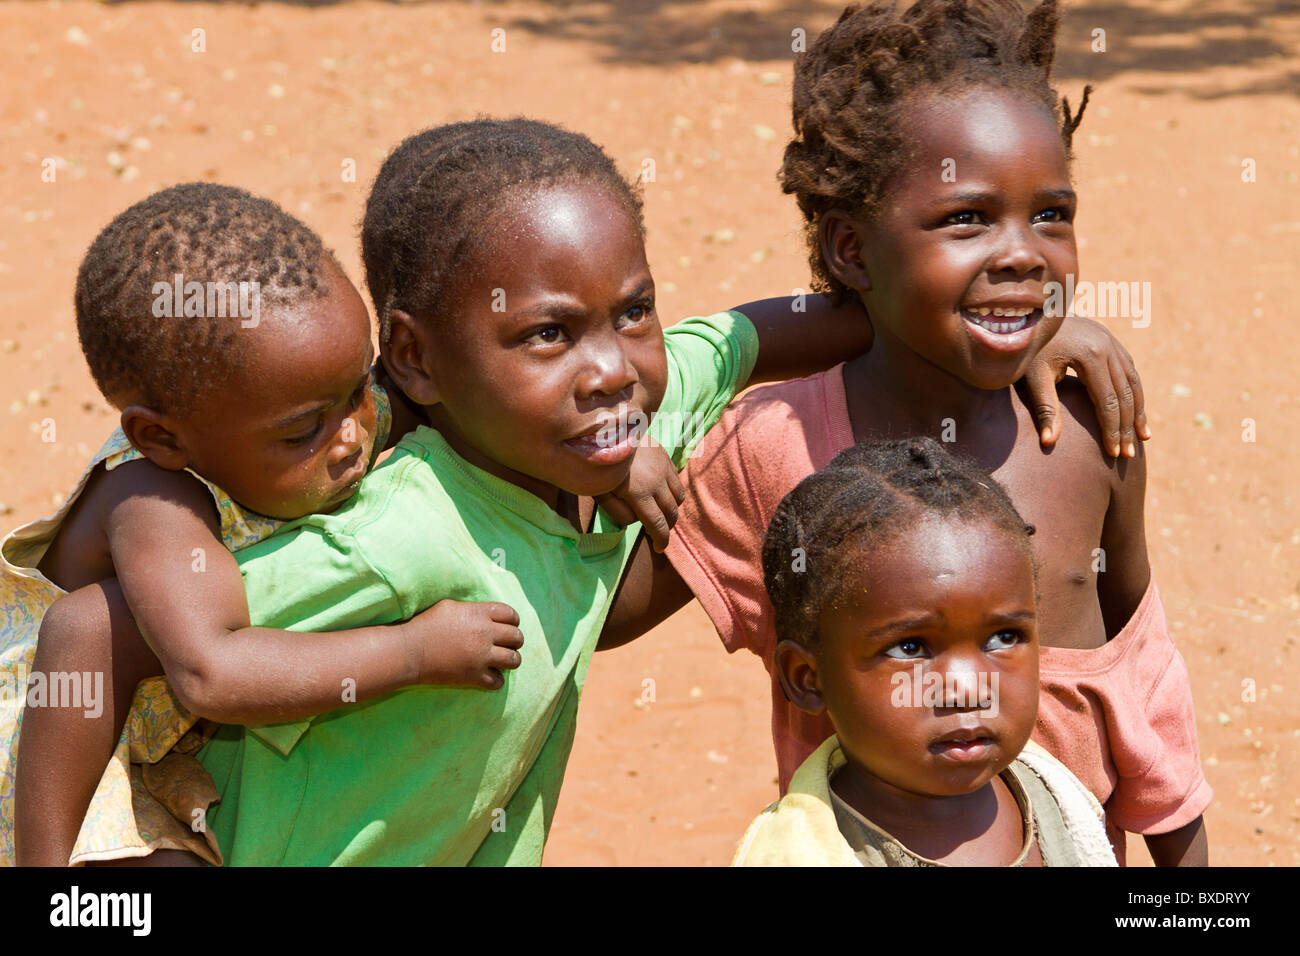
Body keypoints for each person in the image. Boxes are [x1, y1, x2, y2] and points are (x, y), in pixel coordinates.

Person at [606, 0, 1210, 865]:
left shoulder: (1080, 436)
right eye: (967, 219)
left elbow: (1147, 689)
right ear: (850, 249)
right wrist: (615, 453)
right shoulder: (774, 448)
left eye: (1051, 214)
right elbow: (598, 617)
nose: (1023, 255)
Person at [3, 183, 529, 866]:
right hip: (42, 772)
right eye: (306, 431)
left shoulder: (314, 412)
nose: (351, 438)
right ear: (162, 438)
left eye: (357, 394)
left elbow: (473, 402)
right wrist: (415, 653)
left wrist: (605, 456)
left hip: (150, 749)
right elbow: (212, 672)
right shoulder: (155, 500)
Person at [733, 438, 1116, 866]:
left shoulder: (1050, 790)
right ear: (807, 676)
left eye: (1004, 638)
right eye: (911, 647)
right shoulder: (798, 854)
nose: (968, 688)